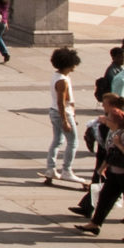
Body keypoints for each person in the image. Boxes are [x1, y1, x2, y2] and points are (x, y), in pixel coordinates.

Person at [82, 101, 124, 242]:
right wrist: (102, 168)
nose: (106, 119)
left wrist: (119, 145)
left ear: (115, 122)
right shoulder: (113, 132)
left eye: (109, 118)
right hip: (115, 173)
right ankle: (95, 224)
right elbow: (111, 153)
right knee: (105, 199)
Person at [43, 47, 81, 186]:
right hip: (62, 113)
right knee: (73, 142)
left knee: (57, 140)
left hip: (54, 112)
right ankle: (67, 170)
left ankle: (51, 168)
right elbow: (61, 101)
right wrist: (66, 120)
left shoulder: (58, 76)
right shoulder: (63, 81)